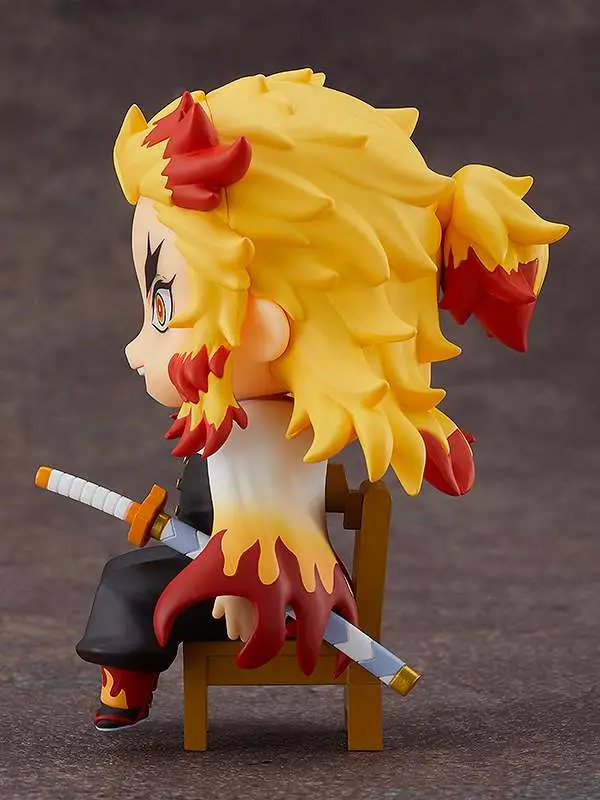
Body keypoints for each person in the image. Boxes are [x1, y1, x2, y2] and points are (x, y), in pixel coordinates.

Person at [76, 68, 567, 730]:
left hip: (255, 586)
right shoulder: (258, 430)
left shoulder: (271, 440)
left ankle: (125, 684)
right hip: (219, 558)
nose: (137, 348)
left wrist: (230, 563)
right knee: (139, 570)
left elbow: (258, 534)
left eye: (163, 306)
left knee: (128, 583)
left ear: (266, 323)